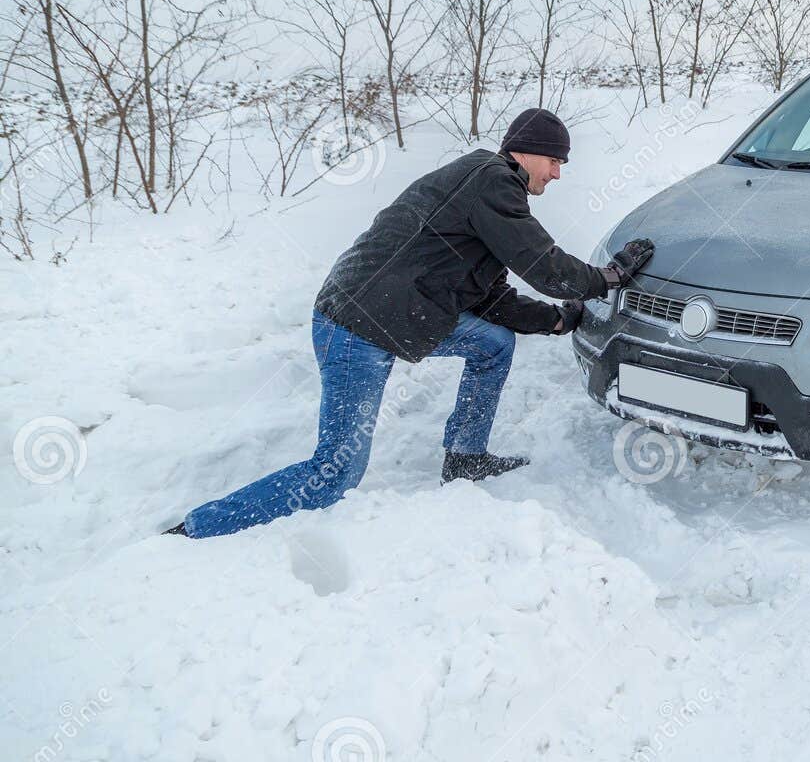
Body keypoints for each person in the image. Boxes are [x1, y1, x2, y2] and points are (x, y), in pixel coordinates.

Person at [172, 108, 654, 539]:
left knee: (491, 344)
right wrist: (610, 277)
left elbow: (489, 298)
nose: (558, 174)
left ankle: (465, 457)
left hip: (399, 313)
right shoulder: (492, 182)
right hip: (356, 327)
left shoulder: (481, 191)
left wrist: (555, 321)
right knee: (335, 473)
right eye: (556, 161)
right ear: (527, 152)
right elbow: (546, 267)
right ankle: (202, 526)